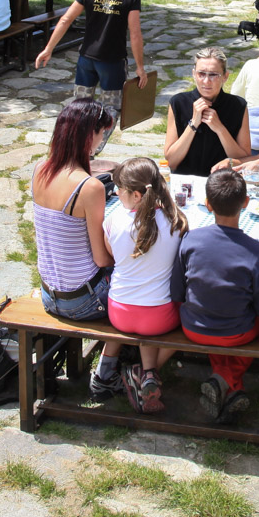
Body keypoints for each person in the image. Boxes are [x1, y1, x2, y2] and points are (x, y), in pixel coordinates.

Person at [31, 99, 125, 399]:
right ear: (88, 135)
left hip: (50, 293)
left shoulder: (39, 170)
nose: (102, 141)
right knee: (142, 285)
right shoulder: (89, 188)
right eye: (101, 134)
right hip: (83, 300)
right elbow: (100, 258)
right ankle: (107, 372)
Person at [169, 169, 259, 424]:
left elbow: (177, 292)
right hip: (236, 332)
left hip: (193, 326)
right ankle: (227, 381)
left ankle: (227, 385)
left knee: (220, 316)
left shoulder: (191, 240)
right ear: (246, 203)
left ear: (207, 205)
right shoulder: (256, 251)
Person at [104, 157, 189, 414]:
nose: (116, 192)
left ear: (138, 195)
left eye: (121, 189)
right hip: (160, 318)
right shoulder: (177, 222)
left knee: (146, 303)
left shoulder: (112, 221)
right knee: (188, 318)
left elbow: (110, 258)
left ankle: (146, 373)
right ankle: (147, 372)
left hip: (118, 311)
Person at [35, 0, 148, 139]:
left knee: (80, 105)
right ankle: (94, 148)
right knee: (111, 108)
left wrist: (48, 48)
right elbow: (135, 33)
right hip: (112, 61)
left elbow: (65, 20)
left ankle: (75, 141)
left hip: (86, 58)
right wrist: (140, 67)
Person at [165, 47, 251, 176]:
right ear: (194, 74)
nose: (206, 81)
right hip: (186, 182)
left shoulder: (238, 106)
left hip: (222, 182)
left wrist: (220, 129)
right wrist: (193, 124)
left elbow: (243, 160)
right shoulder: (178, 103)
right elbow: (171, 162)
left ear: (225, 76)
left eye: (213, 75)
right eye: (201, 74)